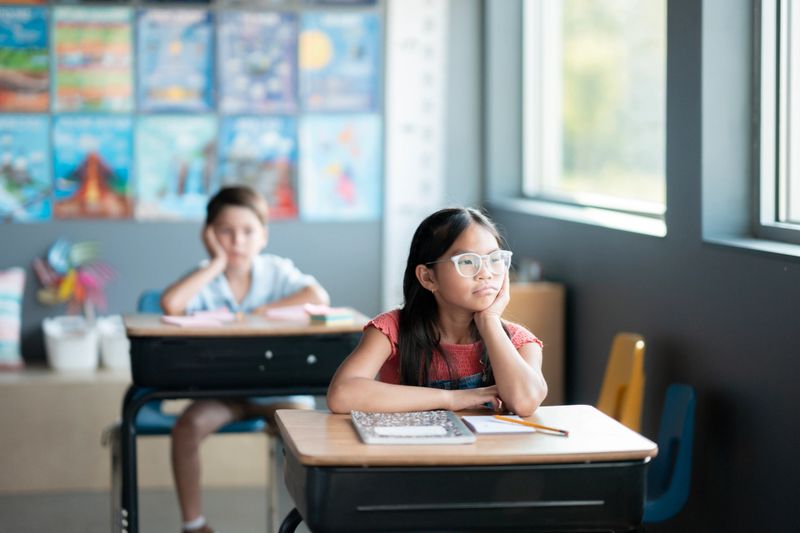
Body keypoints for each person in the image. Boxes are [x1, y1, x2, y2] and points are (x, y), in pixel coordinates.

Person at [160, 185, 330, 533]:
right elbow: (171, 304)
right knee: (187, 427)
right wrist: (216, 263)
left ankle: (317, 520)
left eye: (248, 231)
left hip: (279, 390)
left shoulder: (277, 271)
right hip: (226, 393)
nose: (237, 241)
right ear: (208, 235)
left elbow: (318, 295)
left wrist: (262, 311)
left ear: (263, 235)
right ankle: (194, 523)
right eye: (225, 231)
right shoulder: (204, 277)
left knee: (312, 436)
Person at [327, 207, 547, 416]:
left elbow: (525, 402)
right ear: (428, 277)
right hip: (407, 453)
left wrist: (489, 321)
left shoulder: (519, 342)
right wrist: (452, 399)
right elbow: (342, 394)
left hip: (486, 454)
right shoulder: (391, 330)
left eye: (495, 259)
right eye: (468, 261)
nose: (486, 273)